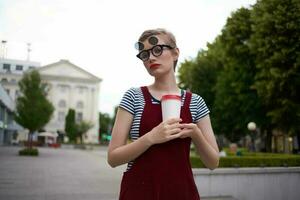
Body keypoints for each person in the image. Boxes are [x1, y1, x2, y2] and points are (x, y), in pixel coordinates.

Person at [107, 28, 219, 200]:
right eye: (144, 54)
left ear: (175, 53)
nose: (151, 57)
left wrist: (196, 135)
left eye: (157, 49)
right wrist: (151, 137)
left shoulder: (196, 102)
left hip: (182, 192)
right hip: (139, 192)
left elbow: (213, 162)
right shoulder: (133, 96)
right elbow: (113, 158)